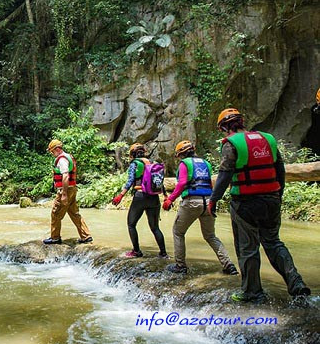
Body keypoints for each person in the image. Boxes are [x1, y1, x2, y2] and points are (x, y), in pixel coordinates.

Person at [207, 108, 310, 302]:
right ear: (242, 122)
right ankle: (296, 283)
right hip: (271, 198)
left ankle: (252, 292)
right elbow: (279, 168)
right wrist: (278, 193)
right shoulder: (268, 139)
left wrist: (213, 199)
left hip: (245, 203)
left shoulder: (231, 144)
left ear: (224, 127)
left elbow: (225, 174)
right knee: (273, 243)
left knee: (248, 247)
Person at [162, 141, 238, 275]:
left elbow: (182, 183)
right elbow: (209, 184)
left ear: (181, 154)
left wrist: (170, 199)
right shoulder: (206, 163)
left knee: (178, 232)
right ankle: (228, 264)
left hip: (191, 202)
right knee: (210, 236)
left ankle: (180, 265)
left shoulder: (185, 163)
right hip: (208, 202)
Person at [111, 143, 168, 258]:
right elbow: (159, 181)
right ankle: (163, 253)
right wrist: (166, 196)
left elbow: (131, 180)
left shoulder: (135, 164)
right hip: (154, 197)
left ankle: (136, 251)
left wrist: (121, 195)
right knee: (155, 227)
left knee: (131, 224)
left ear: (132, 154)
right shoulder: (152, 164)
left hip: (140, 196)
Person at [43, 140, 92, 245]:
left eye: (52, 151)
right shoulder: (69, 156)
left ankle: (55, 237)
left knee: (55, 214)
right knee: (74, 213)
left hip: (65, 190)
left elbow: (65, 176)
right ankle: (86, 236)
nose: (52, 154)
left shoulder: (62, 160)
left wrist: (64, 194)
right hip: (72, 189)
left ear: (57, 149)